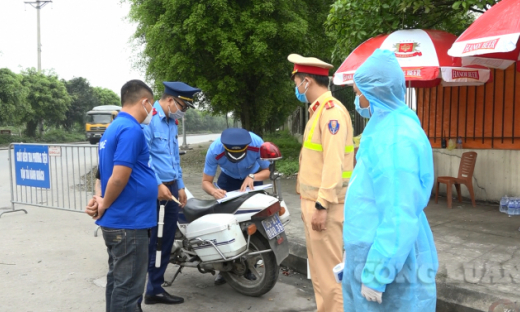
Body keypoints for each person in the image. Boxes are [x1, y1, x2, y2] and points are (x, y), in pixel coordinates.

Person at [342, 49, 438, 311]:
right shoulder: (384, 125)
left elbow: (398, 212)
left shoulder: (396, 139)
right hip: (370, 250)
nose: (357, 99)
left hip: (384, 260)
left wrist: (376, 274)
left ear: (375, 91)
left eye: (357, 92)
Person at [287, 53, 354, 312]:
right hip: (315, 204)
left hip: (326, 207)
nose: (297, 89)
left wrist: (322, 206)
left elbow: (334, 164)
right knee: (319, 273)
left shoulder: (331, 113)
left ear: (306, 81)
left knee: (330, 276)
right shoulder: (318, 112)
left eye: (297, 83)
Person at [84, 80, 158, 312]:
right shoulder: (132, 129)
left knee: (118, 283)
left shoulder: (112, 129)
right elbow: (117, 177)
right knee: (128, 291)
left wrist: (98, 198)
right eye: (152, 106)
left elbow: (101, 172)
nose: (152, 112)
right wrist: (103, 202)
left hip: (120, 221)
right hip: (129, 222)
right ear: (144, 101)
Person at [138, 81, 200, 309]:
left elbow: (174, 157)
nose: (183, 112)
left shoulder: (171, 122)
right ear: (170, 100)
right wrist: (157, 184)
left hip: (172, 187)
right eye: (182, 106)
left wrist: (181, 184)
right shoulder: (150, 120)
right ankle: (152, 289)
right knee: (156, 238)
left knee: (166, 240)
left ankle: (156, 285)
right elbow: (144, 157)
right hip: (156, 189)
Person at [202, 127, 271, 285]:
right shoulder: (214, 149)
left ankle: (249, 266)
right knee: (227, 225)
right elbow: (206, 182)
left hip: (253, 178)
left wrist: (253, 176)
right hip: (228, 180)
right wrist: (214, 192)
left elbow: (267, 170)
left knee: (251, 224)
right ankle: (223, 269)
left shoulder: (257, 143)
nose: (238, 159)